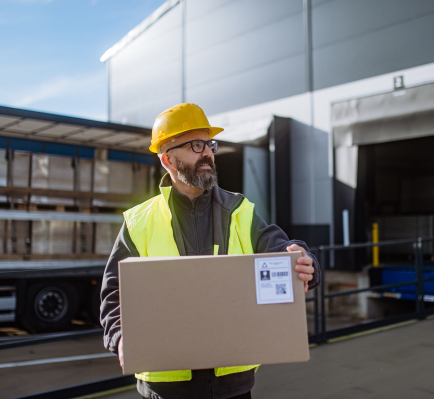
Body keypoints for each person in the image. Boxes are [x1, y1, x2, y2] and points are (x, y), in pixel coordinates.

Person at [100, 103, 321, 399]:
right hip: (167, 387)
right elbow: (113, 293)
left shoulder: (240, 211)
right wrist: (121, 338)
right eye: (195, 145)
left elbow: (280, 248)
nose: (207, 153)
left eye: (209, 144)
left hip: (233, 386)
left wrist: (303, 259)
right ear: (167, 159)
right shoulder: (139, 223)